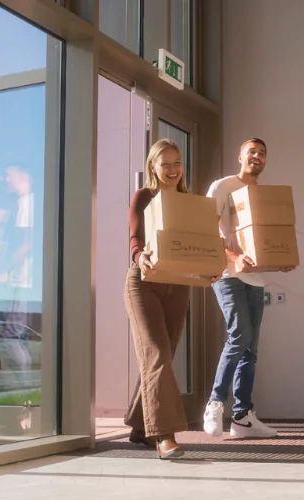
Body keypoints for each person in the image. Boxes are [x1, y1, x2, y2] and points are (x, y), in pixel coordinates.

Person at [203, 138, 293, 439]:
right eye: (251, 151)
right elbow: (205, 231)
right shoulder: (222, 187)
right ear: (240, 156)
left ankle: (242, 417)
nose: (257, 156)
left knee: (250, 349)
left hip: (255, 280)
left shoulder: (260, 197)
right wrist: (233, 257)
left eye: (262, 153)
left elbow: (265, 240)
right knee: (240, 334)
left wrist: (279, 259)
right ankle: (215, 402)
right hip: (227, 275)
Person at [124, 138, 192, 459]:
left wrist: (208, 269)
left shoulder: (188, 202)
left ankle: (140, 427)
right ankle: (164, 436)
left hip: (178, 284)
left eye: (177, 163)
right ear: (153, 166)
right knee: (157, 356)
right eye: (166, 164)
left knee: (164, 355)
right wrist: (140, 257)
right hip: (144, 283)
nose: (173, 169)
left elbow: (198, 244)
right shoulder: (145, 196)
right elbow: (135, 238)